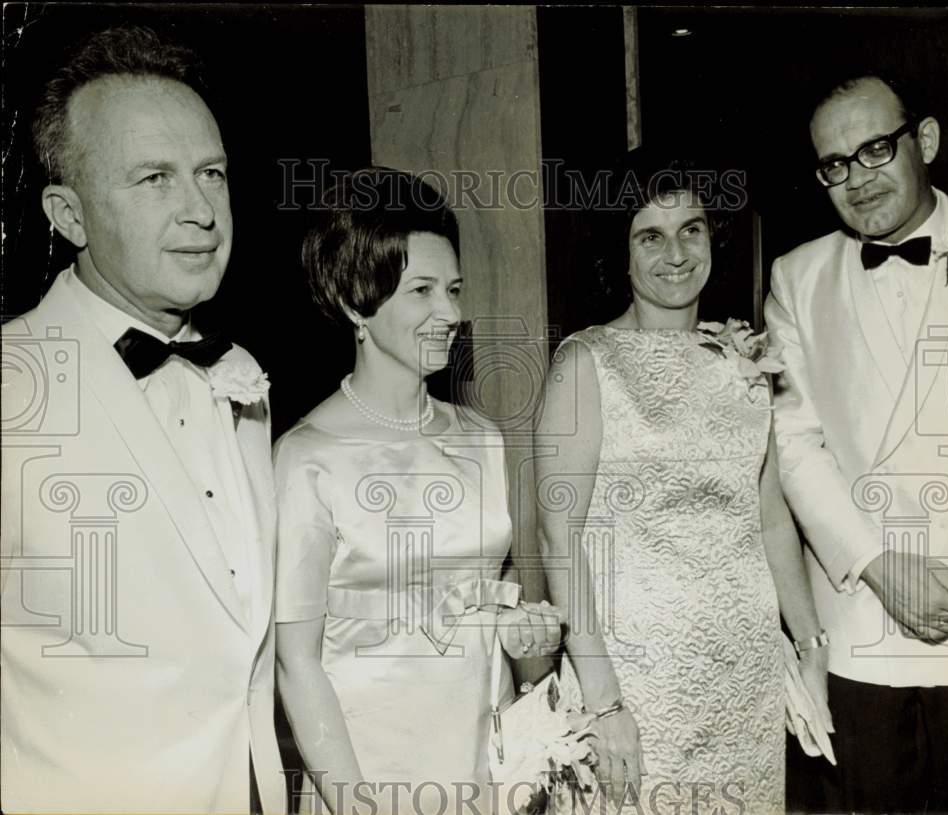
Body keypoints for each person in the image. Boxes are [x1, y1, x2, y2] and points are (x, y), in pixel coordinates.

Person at [0, 26, 284, 814]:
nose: (200, 210)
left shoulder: (241, 378)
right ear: (69, 214)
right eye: (154, 178)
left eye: (211, 174)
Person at [534, 160, 831, 814]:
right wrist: (604, 698)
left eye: (691, 229)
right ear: (623, 250)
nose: (676, 253)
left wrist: (810, 644)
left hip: (744, 672)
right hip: (633, 677)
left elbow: (771, 513)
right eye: (651, 235)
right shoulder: (586, 362)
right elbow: (560, 536)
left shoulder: (747, 357)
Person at [273, 167, 563, 815]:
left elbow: (491, 600)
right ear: (355, 303)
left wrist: (523, 634)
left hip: (479, 759)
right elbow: (296, 660)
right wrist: (352, 801)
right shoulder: (306, 458)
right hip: (371, 768)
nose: (453, 313)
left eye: (455, 289)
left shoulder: (484, 438)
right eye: (423, 290)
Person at [764, 73, 948, 813]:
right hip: (862, 621)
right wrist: (875, 563)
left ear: (923, 141)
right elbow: (794, 444)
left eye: (873, 151)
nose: (855, 180)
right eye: (834, 165)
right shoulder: (797, 276)